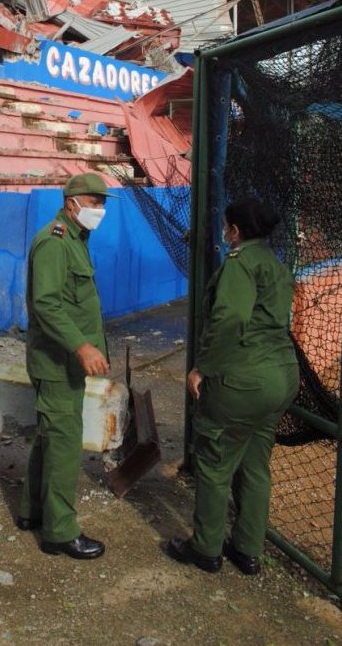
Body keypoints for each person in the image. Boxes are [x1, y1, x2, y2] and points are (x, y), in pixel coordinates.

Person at [167, 196, 299, 575]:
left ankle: (205, 549)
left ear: (235, 231)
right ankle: (247, 549)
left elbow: (229, 321)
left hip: (242, 380)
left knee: (214, 462)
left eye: (227, 227)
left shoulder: (239, 266)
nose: (225, 233)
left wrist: (202, 368)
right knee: (256, 465)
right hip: (281, 377)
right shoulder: (275, 266)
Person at [17, 172, 117, 559]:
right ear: (72, 202)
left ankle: (32, 510)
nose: (99, 210)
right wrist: (82, 347)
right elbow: (47, 304)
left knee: (50, 436)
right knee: (63, 446)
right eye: (94, 203)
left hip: (63, 363)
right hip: (56, 362)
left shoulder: (76, 239)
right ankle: (59, 532)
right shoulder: (54, 242)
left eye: (102, 203)